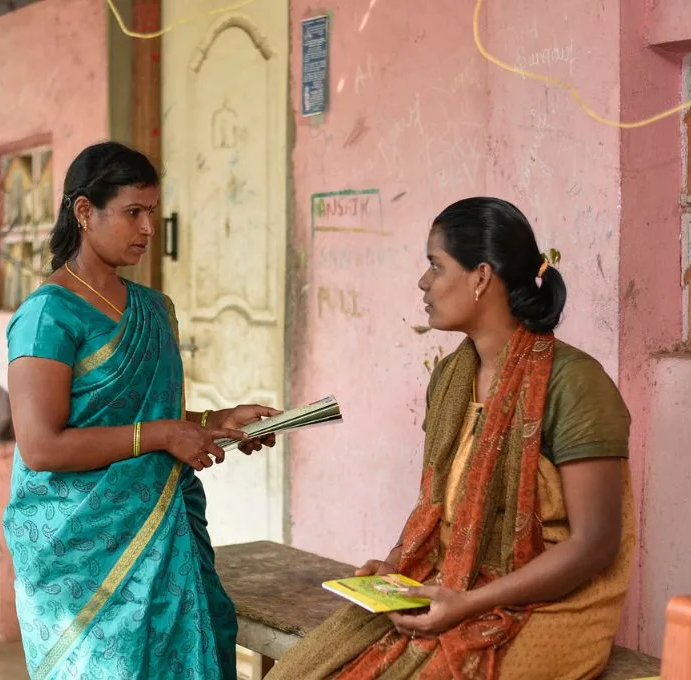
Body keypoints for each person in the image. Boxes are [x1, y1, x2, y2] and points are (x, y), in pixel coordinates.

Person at [269, 197, 634, 680]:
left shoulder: (574, 382)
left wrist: (468, 603)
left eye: (435, 266)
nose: (424, 283)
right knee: (300, 671)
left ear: (481, 277)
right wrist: (396, 568)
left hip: (552, 606)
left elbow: (595, 544)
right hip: (452, 587)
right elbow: (438, 502)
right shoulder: (451, 377)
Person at [2, 141, 279, 680]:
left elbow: (153, 416)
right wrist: (160, 435)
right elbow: (41, 446)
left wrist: (216, 421)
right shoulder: (47, 316)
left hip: (164, 530)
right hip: (82, 550)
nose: (148, 228)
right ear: (85, 211)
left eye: (151, 212)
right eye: (133, 212)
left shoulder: (154, 308)